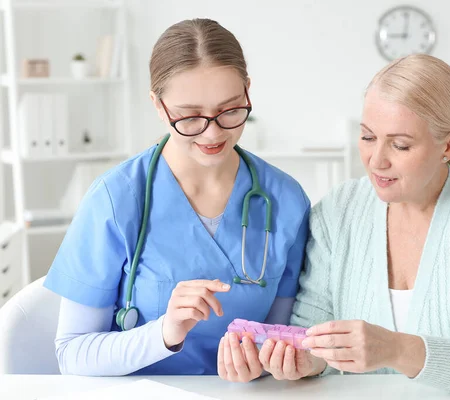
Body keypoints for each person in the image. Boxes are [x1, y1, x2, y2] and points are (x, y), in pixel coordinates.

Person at [256, 54, 450, 393]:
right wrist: (308, 361)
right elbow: (313, 329)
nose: (377, 160)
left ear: (449, 144)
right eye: (367, 137)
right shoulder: (338, 210)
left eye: (400, 145)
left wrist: (395, 349)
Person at [43, 18, 310, 378]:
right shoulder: (116, 199)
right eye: (189, 117)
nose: (213, 132)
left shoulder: (286, 201)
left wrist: (266, 365)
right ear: (157, 104)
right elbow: (72, 354)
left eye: (230, 110)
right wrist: (165, 332)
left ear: (248, 91)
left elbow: (281, 338)